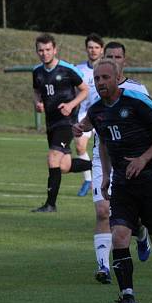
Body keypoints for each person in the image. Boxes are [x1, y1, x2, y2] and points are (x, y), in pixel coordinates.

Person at [73, 59, 152, 303]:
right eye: (97, 79)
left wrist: (144, 159)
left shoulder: (136, 101)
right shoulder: (97, 110)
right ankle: (127, 298)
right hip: (122, 182)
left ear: (116, 79)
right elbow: (99, 138)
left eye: (105, 78)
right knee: (120, 234)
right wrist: (105, 176)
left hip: (149, 179)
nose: (101, 82)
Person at [89, 41, 152, 284]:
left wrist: (144, 156)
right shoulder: (97, 84)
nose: (114, 60)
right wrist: (79, 126)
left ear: (124, 61)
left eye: (118, 56)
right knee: (103, 210)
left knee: (129, 216)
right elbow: (91, 116)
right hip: (103, 154)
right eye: (109, 56)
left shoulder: (138, 90)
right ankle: (103, 266)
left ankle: (141, 230)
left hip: (130, 158)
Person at [31, 33, 92, 213]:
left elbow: (84, 90)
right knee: (63, 166)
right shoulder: (37, 71)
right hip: (51, 123)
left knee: (52, 159)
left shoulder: (66, 69)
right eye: (40, 50)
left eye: (48, 49)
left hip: (67, 122)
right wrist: (38, 103)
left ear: (55, 50)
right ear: (37, 52)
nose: (44, 53)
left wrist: (71, 104)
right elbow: (36, 91)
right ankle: (99, 166)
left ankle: (50, 204)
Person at [73, 33, 104, 197]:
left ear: (102, 50)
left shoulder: (107, 68)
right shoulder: (78, 69)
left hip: (104, 114)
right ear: (86, 49)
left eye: (96, 47)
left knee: (104, 150)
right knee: (80, 146)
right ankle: (88, 180)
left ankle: (104, 181)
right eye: (90, 47)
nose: (93, 50)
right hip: (85, 113)